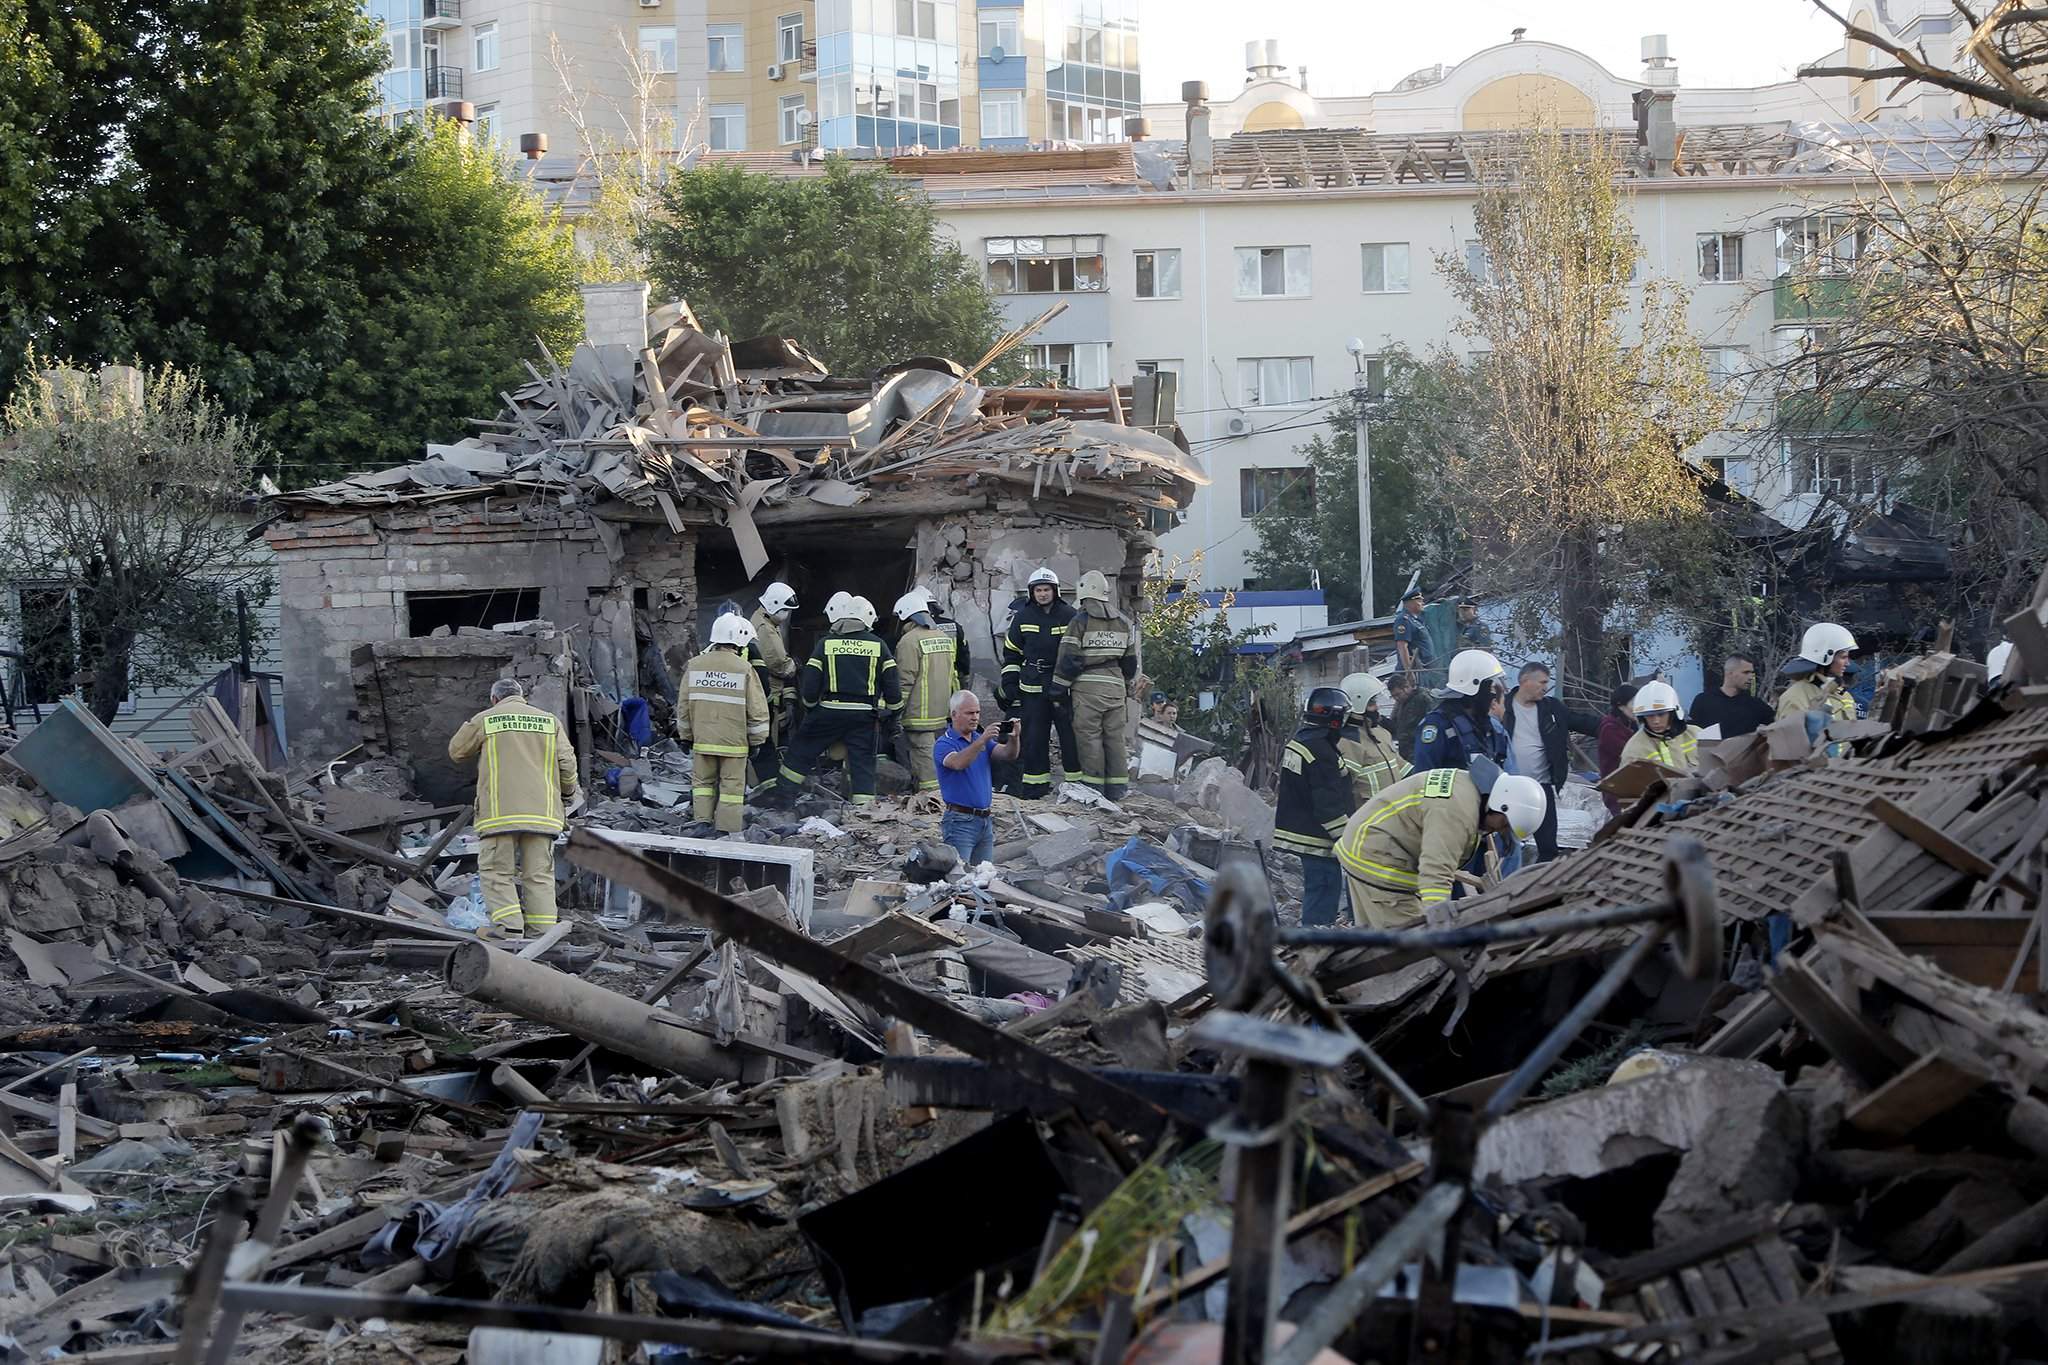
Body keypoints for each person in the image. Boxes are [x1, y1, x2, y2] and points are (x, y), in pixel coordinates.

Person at [447, 678, 581, 939]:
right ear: (522, 696)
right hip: (542, 815)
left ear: (494, 699)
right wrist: (567, 794)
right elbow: (567, 763)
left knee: (497, 872)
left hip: (500, 814)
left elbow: (457, 751)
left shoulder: (487, 719)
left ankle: (509, 928)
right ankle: (542, 931)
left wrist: (473, 723)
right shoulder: (549, 721)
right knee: (539, 874)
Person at [1335, 767, 1547, 929]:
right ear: (1501, 805)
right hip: (1377, 855)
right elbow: (1436, 869)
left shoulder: (1471, 788)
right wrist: (1437, 923)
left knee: (1377, 938)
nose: (1500, 831)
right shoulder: (1456, 812)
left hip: (1367, 842)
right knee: (1408, 946)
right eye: (1504, 825)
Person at [776, 594, 900, 807]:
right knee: (863, 763)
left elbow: (811, 684)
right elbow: (892, 687)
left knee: (801, 751)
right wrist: (893, 713)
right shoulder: (879, 645)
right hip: (864, 716)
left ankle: (783, 798)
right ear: (867, 620)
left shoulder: (826, 644)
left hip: (828, 711)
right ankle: (863, 810)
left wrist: (810, 707)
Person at [1499, 661, 1602, 863]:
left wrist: (1612, 726)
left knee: (1548, 846)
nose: (1545, 687)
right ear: (1524, 681)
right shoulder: (1503, 707)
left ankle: (1542, 886)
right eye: (1542, 682)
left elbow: (1581, 721)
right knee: (1506, 843)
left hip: (1541, 787)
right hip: (1509, 788)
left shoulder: (1551, 708)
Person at [676, 613, 769, 833]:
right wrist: (757, 741)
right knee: (731, 788)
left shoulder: (695, 665)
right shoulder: (744, 668)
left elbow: (683, 705)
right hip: (734, 744)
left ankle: (702, 822)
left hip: (703, 741)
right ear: (738, 638)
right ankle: (725, 830)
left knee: (702, 785)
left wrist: (686, 736)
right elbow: (757, 710)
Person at [1051, 570, 1139, 800]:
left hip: (1088, 688)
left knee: (1090, 738)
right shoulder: (1122, 622)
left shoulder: (1080, 621)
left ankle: (1094, 791)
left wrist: (1057, 690)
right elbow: (1130, 663)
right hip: (1116, 688)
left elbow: (1068, 659)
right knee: (1115, 739)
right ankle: (1118, 789)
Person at [1274, 688, 1356, 926]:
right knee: (1324, 893)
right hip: (1316, 838)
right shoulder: (1321, 751)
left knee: (1317, 891)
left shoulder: (1301, 741)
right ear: (1336, 718)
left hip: (1300, 829)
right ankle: (1315, 946)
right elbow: (1327, 804)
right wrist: (1347, 839)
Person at [999, 567, 1079, 798]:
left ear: (1055, 591)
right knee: (1034, 739)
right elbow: (1012, 653)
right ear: (1031, 592)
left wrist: (1068, 681)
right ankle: (1036, 786)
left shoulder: (1070, 615)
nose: (1043, 594)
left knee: (1070, 737)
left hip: (1063, 688)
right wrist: (1010, 682)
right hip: (1032, 689)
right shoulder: (1022, 617)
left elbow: (1077, 653)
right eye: (1038, 590)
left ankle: (1075, 784)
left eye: (1046, 590)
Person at [934, 691, 1021, 866]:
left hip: (984, 820)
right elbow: (958, 763)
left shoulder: (977, 739)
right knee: (958, 877)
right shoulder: (944, 743)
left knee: (983, 877)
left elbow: (1008, 755)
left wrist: (1014, 738)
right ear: (954, 714)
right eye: (969, 713)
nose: (975, 717)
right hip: (959, 822)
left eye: (977, 712)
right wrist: (982, 740)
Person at [892, 587, 962, 801]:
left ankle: (931, 802)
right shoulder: (943, 637)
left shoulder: (908, 642)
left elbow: (904, 681)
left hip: (918, 714)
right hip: (942, 713)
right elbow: (954, 676)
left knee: (925, 764)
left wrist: (895, 710)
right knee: (942, 756)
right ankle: (947, 795)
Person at [1411, 649, 1508, 773]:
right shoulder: (1437, 726)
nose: (1493, 696)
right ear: (1474, 688)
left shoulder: (1490, 727)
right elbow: (1423, 777)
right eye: (1490, 688)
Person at [1336, 672, 1407, 805]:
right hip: (1369, 818)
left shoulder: (1382, 733)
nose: (1377, 707)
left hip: (1395, 811)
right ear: (1359, 704)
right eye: (1372, 703)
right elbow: (1341, 788)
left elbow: (1401, 766)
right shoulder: (1349, 741)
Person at [1776, 623, 1860, 726]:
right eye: (1843, 657)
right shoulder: (1795, 696)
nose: (1847, 663)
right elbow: (1790, 739)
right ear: (1824, 658)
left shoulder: (1844, 695)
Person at [1620, 680, 1704, 774]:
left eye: (1661, 714)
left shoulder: (1697, 734)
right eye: (1650, 715)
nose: (1656, 721)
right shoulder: (1634, 749)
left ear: (1673, 712)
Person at [1688, 654, 1774, 738]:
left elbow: (1774, 729)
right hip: (1711, 751)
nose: (1751, 677)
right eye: (1746, 672)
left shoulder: (1756, 705)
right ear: (1729, 673)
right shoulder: (1703, 701)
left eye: (1752, 673)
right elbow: (1691, 735)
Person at [1597, 682, 1640, 816]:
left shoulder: (1631, 723)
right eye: (1634, 703)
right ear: (1621, 705)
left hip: (1632, 787)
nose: (1638, 707)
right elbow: (1629, 754)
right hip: (1617, 790)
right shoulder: (1610, 728)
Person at [1392, 589, 1434, 677]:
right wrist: (1409, 672)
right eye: (1419, 600)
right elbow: (1402, 646)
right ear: (1409, 603)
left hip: (1423, 669)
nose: (1422, 603)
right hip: (1414, 671)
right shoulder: (1403, 620)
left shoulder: (1416, 620)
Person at [1391, 672, 1432, 760]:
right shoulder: (1400, 703)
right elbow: (1394, 724)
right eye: (1393, 696)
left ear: (1406, 688)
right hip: (1405, 751)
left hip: (1420, 749)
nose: (1396, 698)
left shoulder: (1423, 699)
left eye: (1398, 694)